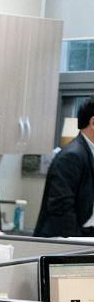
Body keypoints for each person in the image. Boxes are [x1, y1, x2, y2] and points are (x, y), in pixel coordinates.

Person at [33, 96, 94, 238]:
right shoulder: (72, 156)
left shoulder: (87, 152)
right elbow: (61, 206)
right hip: (65, 239)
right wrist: (76, 245)